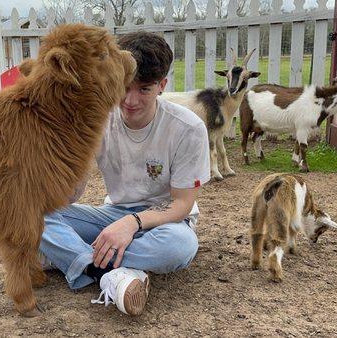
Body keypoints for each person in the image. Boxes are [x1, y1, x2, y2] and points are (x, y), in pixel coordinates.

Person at [39, 31, 210, 316]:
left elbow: (182, 204)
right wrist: (53, 184)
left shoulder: (187, 129)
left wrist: (132, 223)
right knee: (33, 215)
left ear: (162, 86)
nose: (130, 101)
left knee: (180, 247)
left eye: (144, 89)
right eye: (125, 87)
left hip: (165, 222)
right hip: (112, 214)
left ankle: (73, 258)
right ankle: (111, 273)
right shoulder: (99, 118)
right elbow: (72, 191)